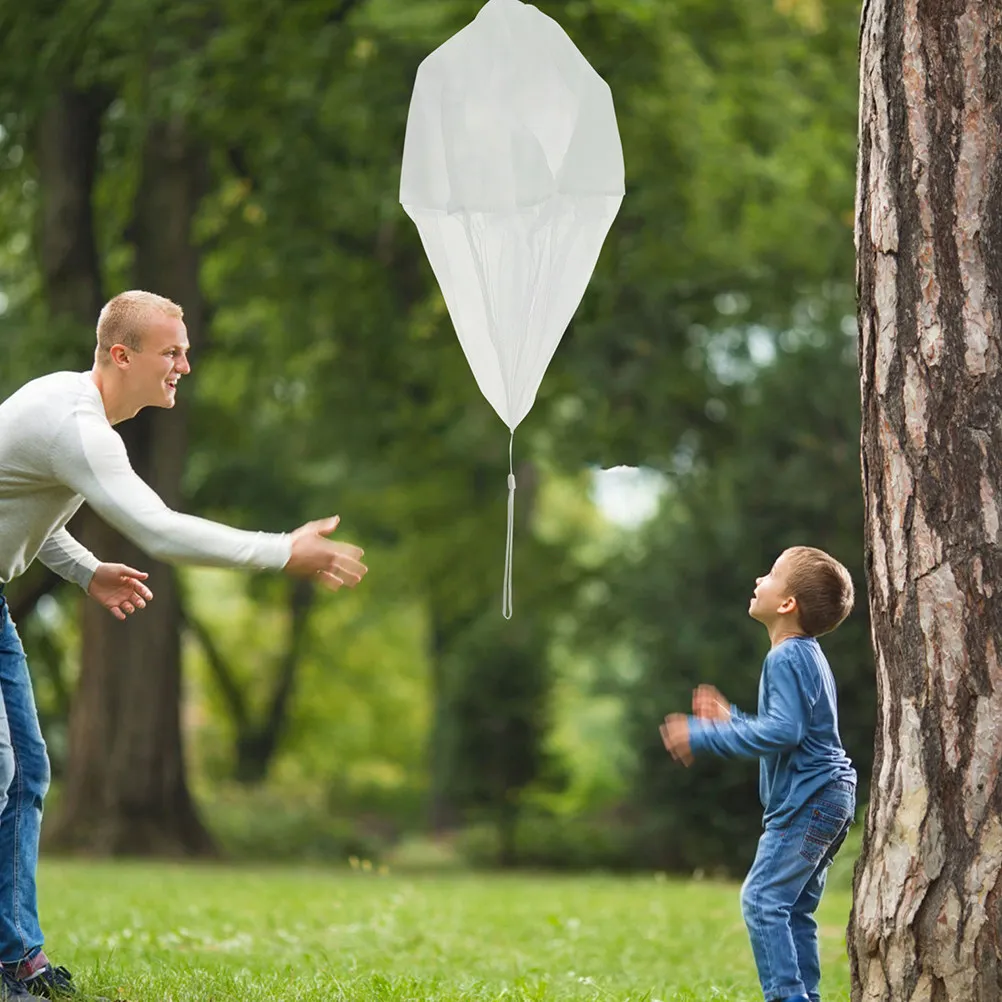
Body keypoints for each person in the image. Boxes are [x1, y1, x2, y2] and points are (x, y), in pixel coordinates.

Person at [0, 290, 368, 999]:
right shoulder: (78, 426)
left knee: (29, 775)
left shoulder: (72, 412)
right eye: (172, 351)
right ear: (121, 354)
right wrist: (281, 551)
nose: (186, 365)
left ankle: (17, 962)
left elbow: (18, 506)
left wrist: (85, 570)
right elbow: (161, 530)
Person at [660, 545, 856, 1002]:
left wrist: (703, 736)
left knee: (762, 901)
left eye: (769, 575)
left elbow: (783, 732)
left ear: (787, 604)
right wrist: (730, 720)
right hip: (830, 796)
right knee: (795, 910)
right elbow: (792, 729)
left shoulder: (786, 657)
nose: (757, 581)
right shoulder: (806, 655)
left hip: (808, 800)